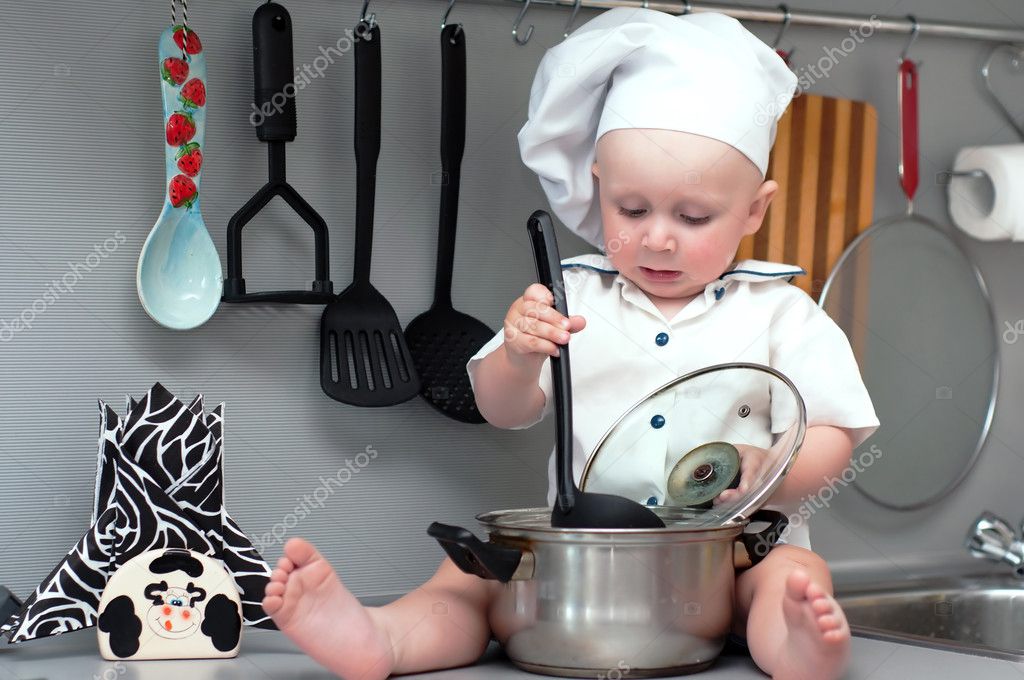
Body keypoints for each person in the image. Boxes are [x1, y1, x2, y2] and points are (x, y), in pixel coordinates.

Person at [261, 9, 880, 680]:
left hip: (734, 553)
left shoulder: (784, 313)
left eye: (693, 216)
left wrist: (774, 470)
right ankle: (383, 638)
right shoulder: (572, 296)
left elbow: (836, 432)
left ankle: (797, 649)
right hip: (584, 559)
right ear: (598, 191)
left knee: (790, 573)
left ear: (755, 210)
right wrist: (518, 356)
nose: (658, 238)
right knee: (470, 577)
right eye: (632, 209)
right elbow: (502, 407)